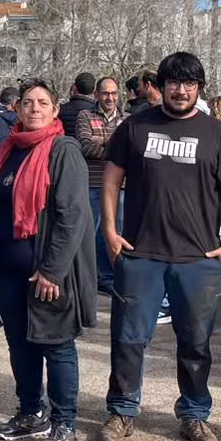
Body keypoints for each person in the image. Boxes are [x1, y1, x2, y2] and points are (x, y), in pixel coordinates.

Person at [98, 51, 221, 441]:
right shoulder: (135, 126)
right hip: (141, 253)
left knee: (196, 343)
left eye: (189, 84)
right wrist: (109, 229)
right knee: (128, 338)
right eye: (173, 83)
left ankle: (194, 415)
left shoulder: (216, 133)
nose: (181, 90)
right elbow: (111, 179)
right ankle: (122, 409)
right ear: (160, 87)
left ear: (200, 88)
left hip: (198, 257)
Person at [0, 79, 96, 441]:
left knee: (56, 346)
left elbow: (72, 216)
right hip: (7, 269)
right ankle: (31, 411)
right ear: (17, 108)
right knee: (20, 345)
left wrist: (52, 270)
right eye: (28, 102)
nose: (34, 108)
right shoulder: (7, 149)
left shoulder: (63, 151)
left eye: (43, 102)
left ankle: (65, 424)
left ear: (55, 109)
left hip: (45, 272)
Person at [76, 76, 125, 295]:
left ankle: (116, 274)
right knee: (95, 233)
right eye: (105, 93)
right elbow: (86, 147)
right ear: (96, 95)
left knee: (118, 231)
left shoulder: (128, 119)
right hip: (93, 184)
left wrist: (103, 141)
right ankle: (99, 277)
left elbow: (132, 150)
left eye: (114, 93)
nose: (110, 98)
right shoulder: (85, 116)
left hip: (122, 188)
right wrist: (116, 144)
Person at [59, 72, 98, 138]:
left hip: (67, 146)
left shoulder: (61, 109)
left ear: (75, 87)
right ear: (93, 89)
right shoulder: (97, 111)